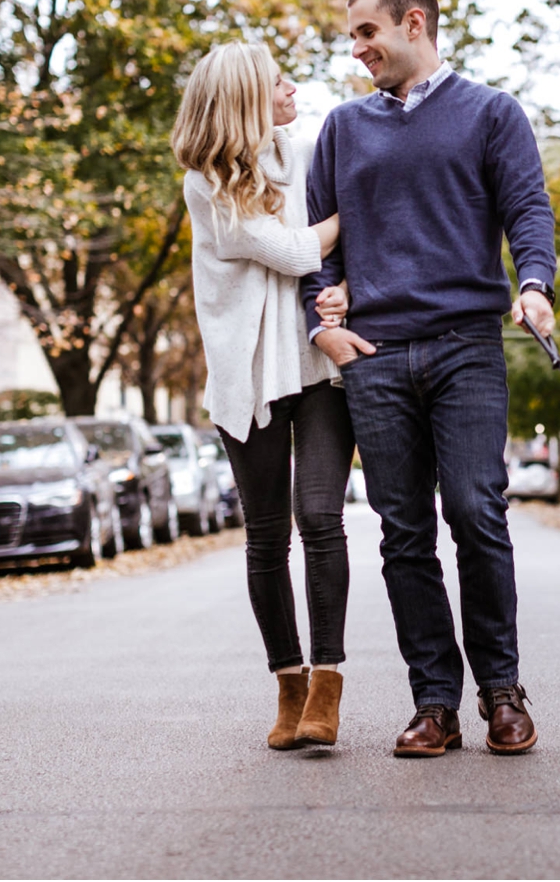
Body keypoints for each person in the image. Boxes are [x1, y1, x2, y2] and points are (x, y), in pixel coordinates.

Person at [302, 0, 557, 758]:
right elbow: (312, 238)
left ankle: (502, 691)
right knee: (403, 533)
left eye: (367, 33)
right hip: (376, 357)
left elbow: (527, 209)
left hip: (465, 347)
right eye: (351, 37)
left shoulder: (490, 113)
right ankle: (434, 702)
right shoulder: (342, 128)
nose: (357, 50)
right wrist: (325, 320)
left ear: (415, 24)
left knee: (477, 514)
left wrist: (536, 286)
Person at [172, 42, 355, 751]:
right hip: (246, 375)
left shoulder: (309, 151)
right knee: (264, 536)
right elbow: (296, 251)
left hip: (315, 363)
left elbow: (321, 253)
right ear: (246, 99)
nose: (292, 87)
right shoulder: (205, 183)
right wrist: (349, 215)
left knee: (320, 518)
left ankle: (328, 684)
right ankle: (288, 680)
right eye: (277, 81)